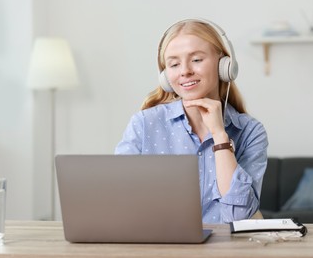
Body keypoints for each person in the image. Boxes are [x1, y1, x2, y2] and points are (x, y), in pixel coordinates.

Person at [115, 19, 268, 224]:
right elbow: (118, 203)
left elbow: (239, 217)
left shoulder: (250, 131)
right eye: (174, 64)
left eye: (196, 59)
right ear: (165, 76)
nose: (184, 71)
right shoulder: (144, 124)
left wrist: (220, 136)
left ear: (224, 65)